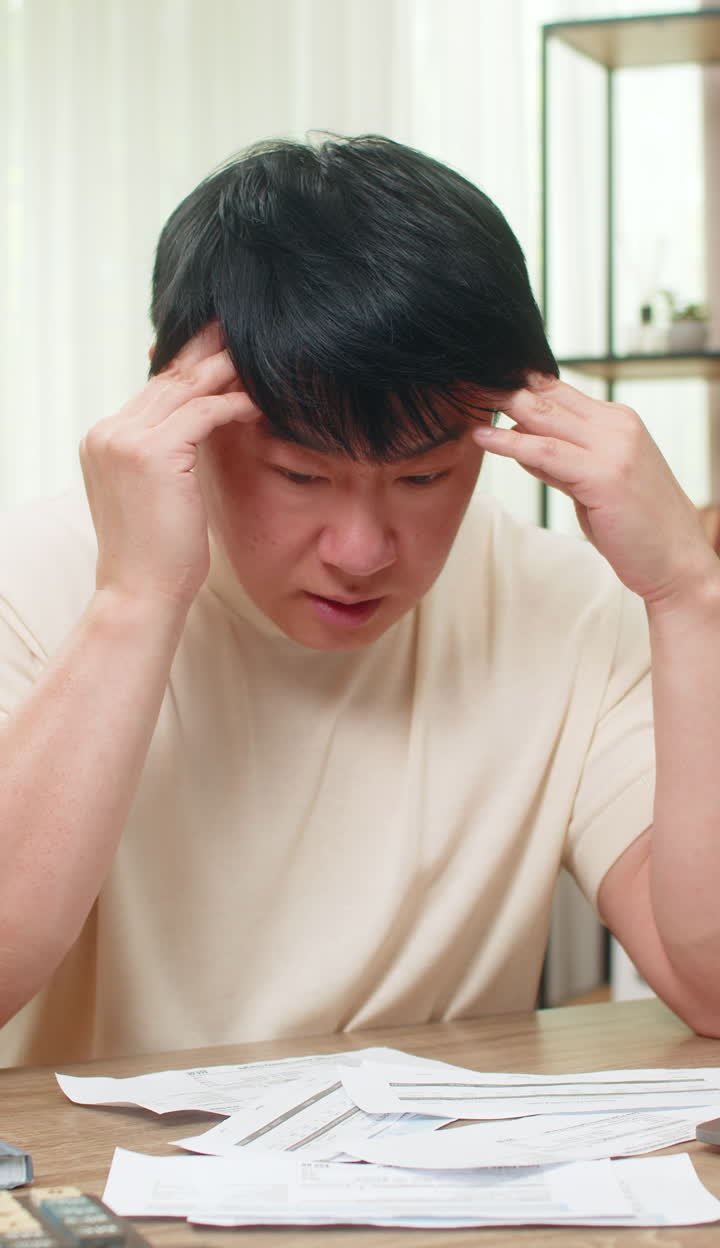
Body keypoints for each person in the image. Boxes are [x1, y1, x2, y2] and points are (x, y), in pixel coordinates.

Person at [1, 135, 719, 1069]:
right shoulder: (37, 579)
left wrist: (689, 593)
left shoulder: (567, 605)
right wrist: (136, 605)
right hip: (101, 1196)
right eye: (301, 473)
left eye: (424, 478)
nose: (362, 552)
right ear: (171, 398)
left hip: (448, 1203)